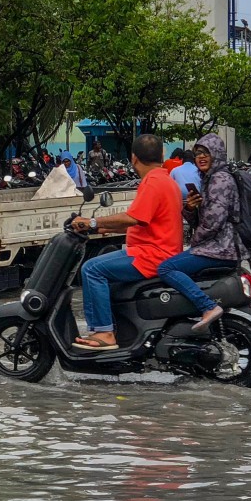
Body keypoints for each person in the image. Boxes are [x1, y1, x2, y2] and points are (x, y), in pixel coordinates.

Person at [69, 134, 182, 351]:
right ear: (162, 155)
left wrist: (91, 222)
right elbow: (143, 221)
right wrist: (100, 227)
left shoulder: (153, 182)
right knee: (102, 268)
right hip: (156, 250)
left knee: (91, 269)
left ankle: (104, 332)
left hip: (151, 255)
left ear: (133, 158)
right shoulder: (165, 179)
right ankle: (120, 328)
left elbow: (133, 218)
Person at [157, 133, 243, 332]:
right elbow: (202, 220)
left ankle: (207, 306)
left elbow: (213, 223)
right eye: (198, 154)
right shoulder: (208, 179)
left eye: (206, 153)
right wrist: (190, 208)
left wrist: (194, 243)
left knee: (166, 268)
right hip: (216, 246)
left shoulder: (220, 180)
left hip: (221, 249)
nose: (201, 157)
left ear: (217, 154)